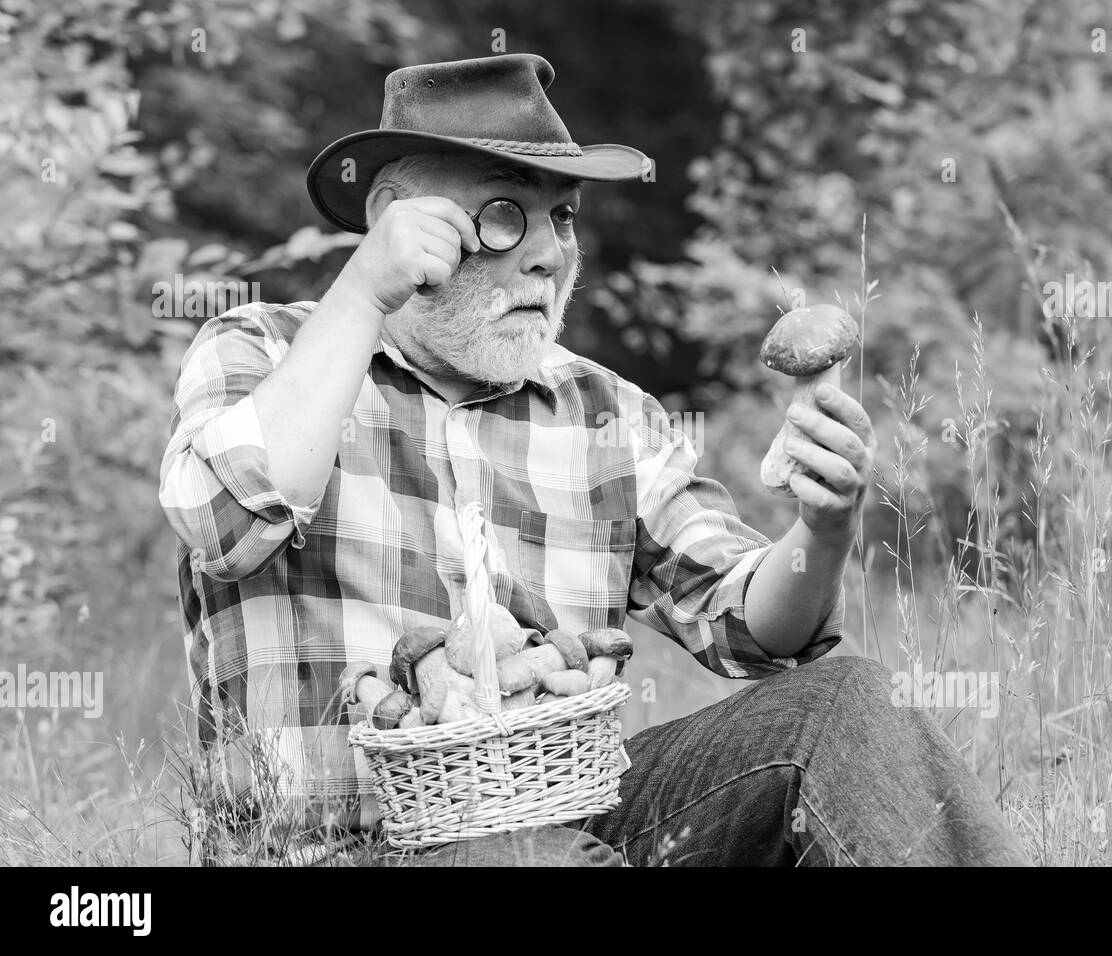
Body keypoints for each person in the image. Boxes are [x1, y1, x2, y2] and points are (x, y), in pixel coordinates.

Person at [159, 53, 1030, 866]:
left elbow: (751, 632)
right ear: (395, 218)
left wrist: (823, 526)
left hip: (571, 826)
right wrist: (360, 290)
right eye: (506, 213)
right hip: (344, 848)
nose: (549, 252)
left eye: (564, 217)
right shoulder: (266, 352)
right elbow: (225, 523)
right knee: (525, 856)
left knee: (845, 706)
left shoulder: (605, 411)